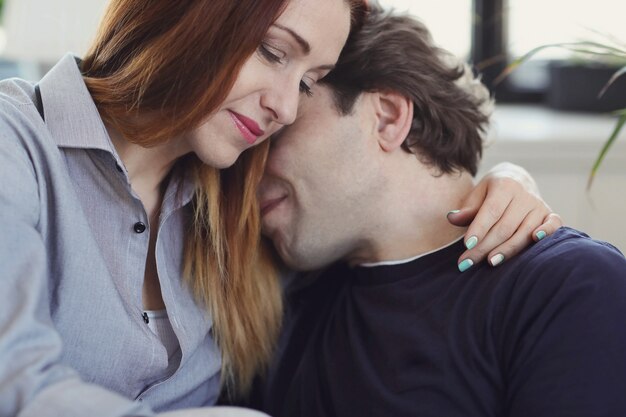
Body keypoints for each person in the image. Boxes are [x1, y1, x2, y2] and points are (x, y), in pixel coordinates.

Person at [0, 0, 557, 416]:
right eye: (273, 52)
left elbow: (381, 213)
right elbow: (15, 384)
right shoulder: (16, 147)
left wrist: (501, 184)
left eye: (310, 81)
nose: (286, 106)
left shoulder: (235, 216)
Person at [252, 4, 626, 416]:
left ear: (388, 118)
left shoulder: (567, 287)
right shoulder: (288, 299)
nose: (248, 177)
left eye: (277, 134)